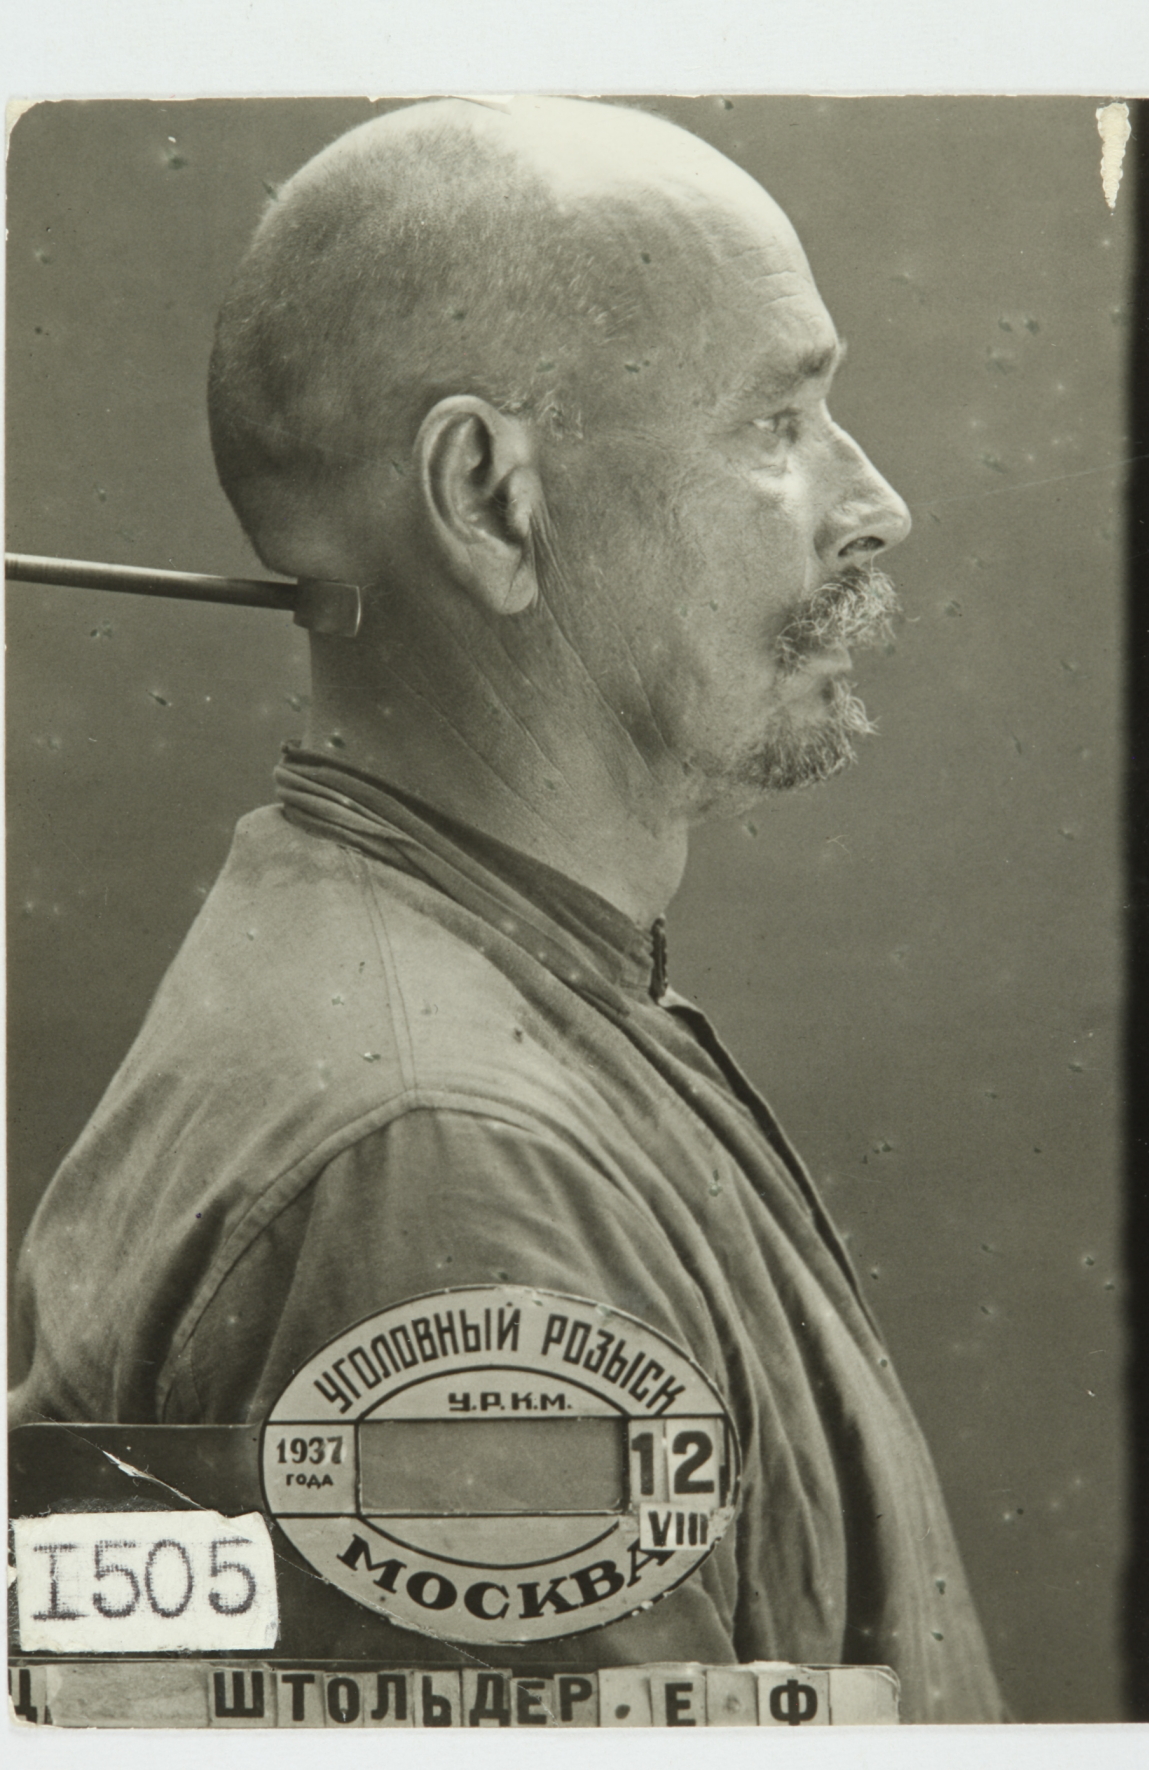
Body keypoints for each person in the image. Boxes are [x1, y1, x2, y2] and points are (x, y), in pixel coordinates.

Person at [11, 97, 1003, 1721]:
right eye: (776, 422)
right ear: (488, 499)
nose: (876, 501)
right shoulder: (442, 1159)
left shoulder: (486, 997)